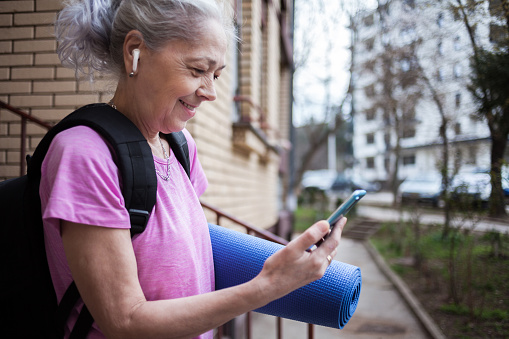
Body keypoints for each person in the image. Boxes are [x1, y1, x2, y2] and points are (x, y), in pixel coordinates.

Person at [43, 0, 347, 338]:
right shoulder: (85, 155)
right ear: (135, 52)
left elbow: (181, 258)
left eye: (216, 75)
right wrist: (269, 285)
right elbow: (125, 320)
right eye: (197, 69)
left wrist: (291, 266)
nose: (212, 93)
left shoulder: (180, 146)